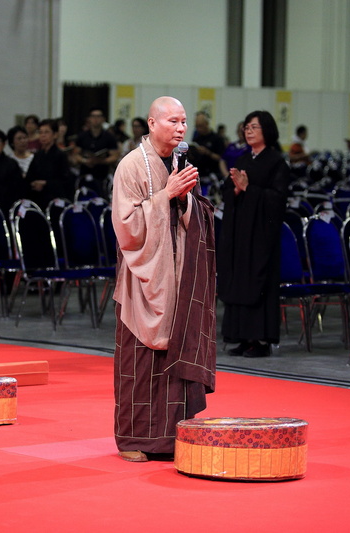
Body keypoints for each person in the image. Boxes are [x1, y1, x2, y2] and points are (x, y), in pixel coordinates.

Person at [111, 96, 216, 462]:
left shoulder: (179, 164)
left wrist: (185, 199)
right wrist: (167, 196)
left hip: (178, 273)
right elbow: (126, 227)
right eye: (173, 121)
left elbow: (198, 214)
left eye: (184, 122)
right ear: (152, 123)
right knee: (140, 361)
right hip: (145, 278)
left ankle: (172, 437)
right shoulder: (130, 167)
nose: (181, 129)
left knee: (175, 357)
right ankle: (133, 439)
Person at [218, 110, 290, 358]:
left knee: (259, 282)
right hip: (240, 233)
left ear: (267, 131)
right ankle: (242, 336)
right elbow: (228, 190)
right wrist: (236, 191)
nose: (248, 131)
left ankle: (261, 340)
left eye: (254, 127)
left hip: (261, 236)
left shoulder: (277, 162)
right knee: (239, 280)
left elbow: (279, 201)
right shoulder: (244, 160)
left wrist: (250, 189)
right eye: (246, 127)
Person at [26, 119, 73, 209]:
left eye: (46, 132)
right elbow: (30, 176)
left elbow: (66, 181)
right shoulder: (38, 155)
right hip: (38, 198)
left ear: (55, 135)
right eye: (40, 132)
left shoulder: (60, 155)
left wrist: (46, 183)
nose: (43, 135)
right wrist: (33, 183)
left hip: (54, 200)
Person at [72, 108, 120, 196]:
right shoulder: (82, 136)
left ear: (103, 119)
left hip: (102, 175)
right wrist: (85, 161)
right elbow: (76, 154)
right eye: (93, 116)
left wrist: (101, 161)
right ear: (89, 119)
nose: (96, 119)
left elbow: (114, 156)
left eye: (98, 116)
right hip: (85, 173)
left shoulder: (109, 137)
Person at [189, 111, 226, 181]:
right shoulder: (196, 139)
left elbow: (222, 158)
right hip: (199, 174)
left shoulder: (217, 139)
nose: (198, 129)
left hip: (213, 174)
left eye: (201, 126)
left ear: (207, 124)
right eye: (197, 126)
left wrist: (207, 152)